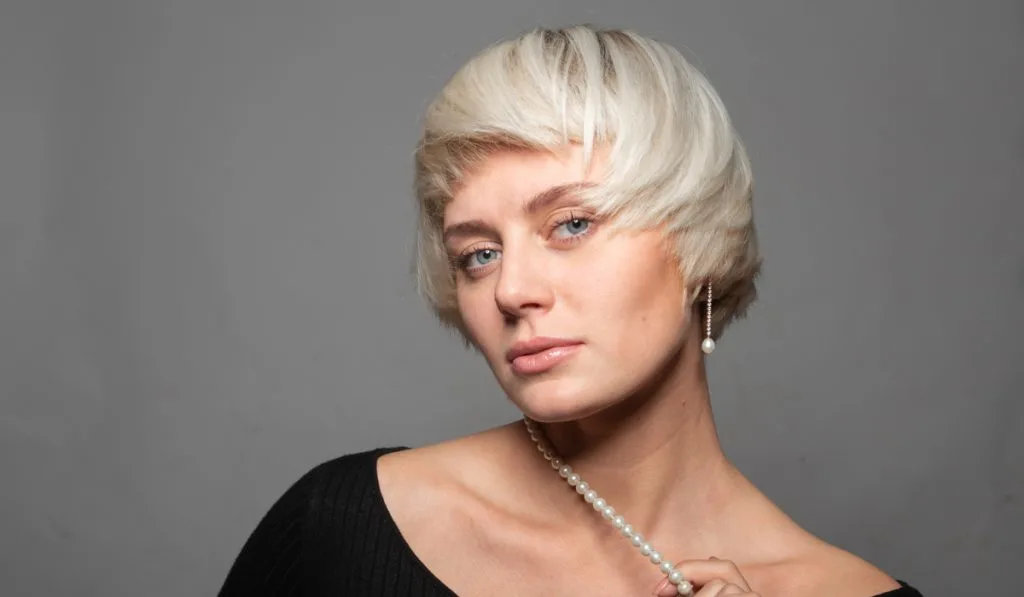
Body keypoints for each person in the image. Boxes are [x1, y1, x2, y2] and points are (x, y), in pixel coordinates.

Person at [219, 25, 924, 596]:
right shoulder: (341, 528)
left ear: (698, 239)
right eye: (479, 253)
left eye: (572, 224)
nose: (510, 290)